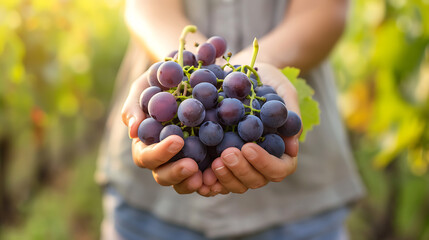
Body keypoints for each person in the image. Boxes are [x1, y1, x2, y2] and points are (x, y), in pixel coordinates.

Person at [96, 0, 365, 239]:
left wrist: (255, 64)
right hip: (150, 209)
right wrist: (178, 66)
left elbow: (325, 10)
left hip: (299, 206)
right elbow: (147, 7)